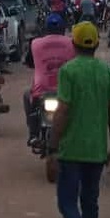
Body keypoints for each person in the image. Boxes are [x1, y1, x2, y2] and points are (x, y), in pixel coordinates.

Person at [52, 22, 110, 218]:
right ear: (96, 44)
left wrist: (52, 145)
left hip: (72, 148)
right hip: (96, 150)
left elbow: (62, 111)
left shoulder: (68, 71)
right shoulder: (108, 73)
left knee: (66, 202)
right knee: (90, 202)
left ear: (74, 44)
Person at [23, 12, 76, 144]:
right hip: (66, 90)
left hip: (41, 89)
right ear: (63, 28)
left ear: (45, 28)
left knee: (27, 96)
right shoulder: (72, 43)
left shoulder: (35, 43)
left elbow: (29, 61)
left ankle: (33, 134)